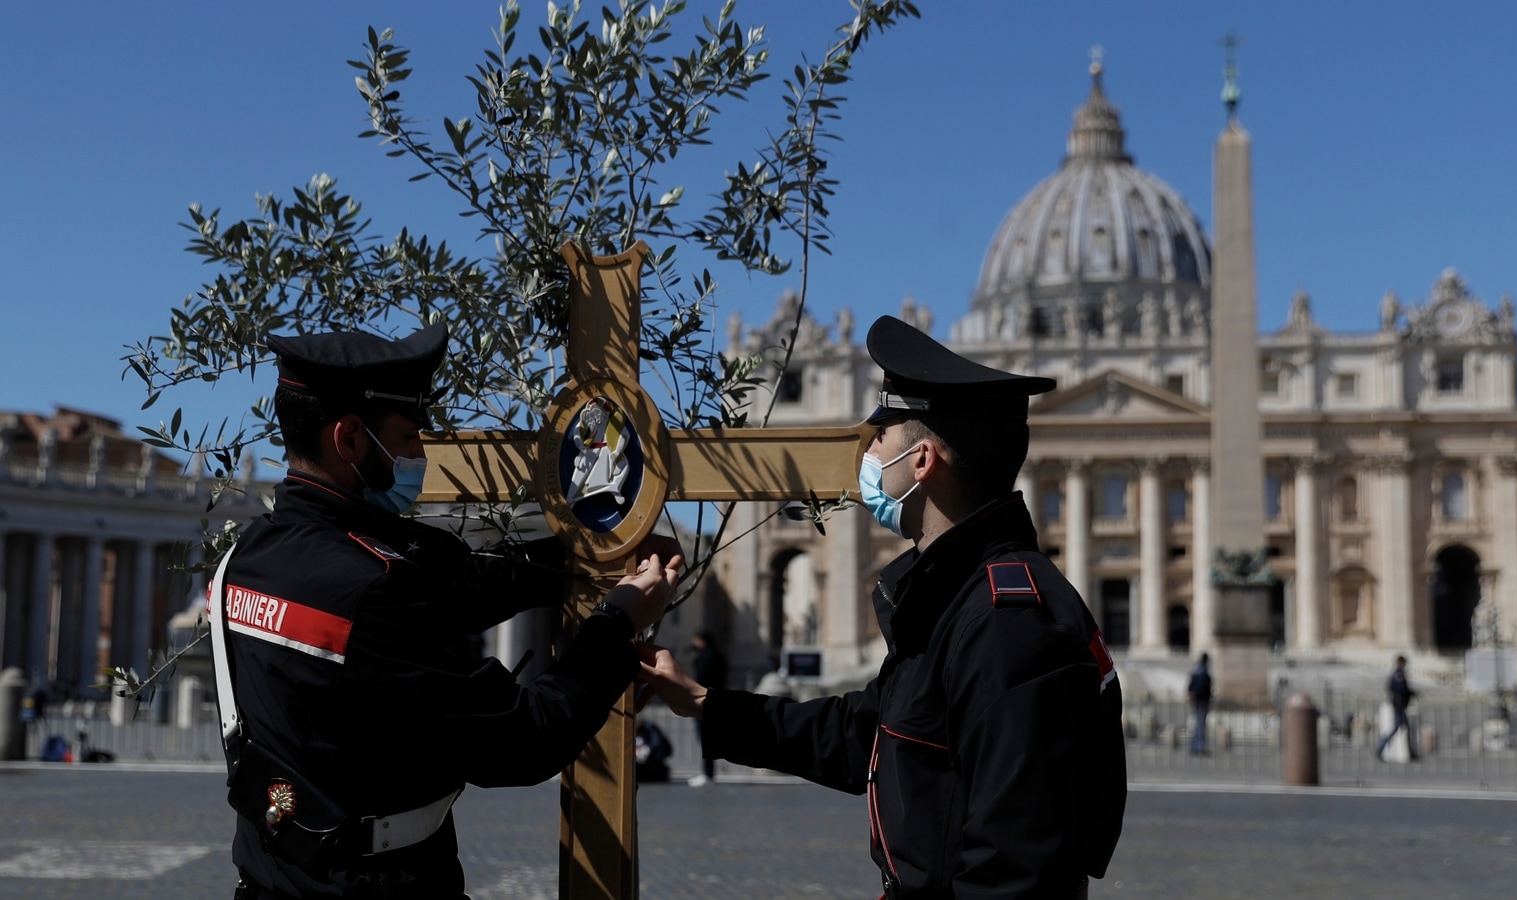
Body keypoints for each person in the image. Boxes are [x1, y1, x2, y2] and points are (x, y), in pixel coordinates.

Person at [638, 315, 1127, 898]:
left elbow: (1013, 873)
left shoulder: (1009, 622)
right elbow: (864, 734)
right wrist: (704, 704)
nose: (867, 449)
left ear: (921, 461)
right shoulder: (959, 599)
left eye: (882, 433)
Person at [217, 324, 682, 898]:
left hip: (271, 880)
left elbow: (456, 585)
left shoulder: (247, 558)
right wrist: (617, 624)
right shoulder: (372, 587)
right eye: (409, 438)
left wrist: (584, 550)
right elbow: (523, 740)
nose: (419, 457)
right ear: (350, 440)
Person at [686, 630, 727, 787]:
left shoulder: (707, 657)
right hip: (716, 697)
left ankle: (708, 772)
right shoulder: (717, 654)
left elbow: (701, 678)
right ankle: (709, 772)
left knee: (705, 736)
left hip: (705, 699)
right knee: (709, 736)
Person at [1374, 655, 1419, 761]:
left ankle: (1411, 752)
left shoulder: (1398, 673)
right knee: (1396, 728)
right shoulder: (1398, 674)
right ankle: (1380, 749)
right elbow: (1399, 688)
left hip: (1400, 704)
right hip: (1399, 705)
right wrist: (1410, 692)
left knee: (1406, 728)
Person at [1187, 653, 1212, 755]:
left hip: (1196, 701)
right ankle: (1199, 747)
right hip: (1202, 701)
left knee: (1197, 724)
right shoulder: (1204, 672)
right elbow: (1203, 688)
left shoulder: (1195, 671)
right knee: (1201, 725)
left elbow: (1190, 686)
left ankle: (1194, 746)